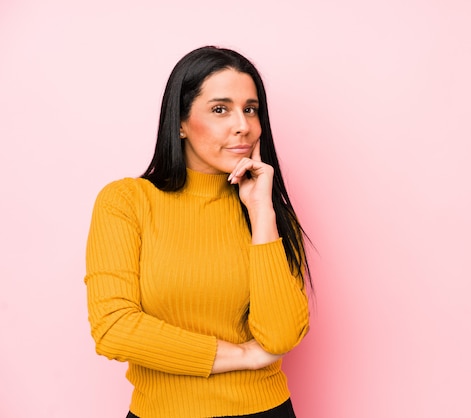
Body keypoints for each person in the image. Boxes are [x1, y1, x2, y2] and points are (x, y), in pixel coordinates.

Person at [84, 46, 312, 418]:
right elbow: (114, 327)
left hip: (266, 411)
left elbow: (282, 335)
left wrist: (261, 212)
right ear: (180, 122)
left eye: (250, 109)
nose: (243, 125)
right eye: (220, 109)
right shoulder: (126, 201)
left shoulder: (269, 212)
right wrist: (245, 356)